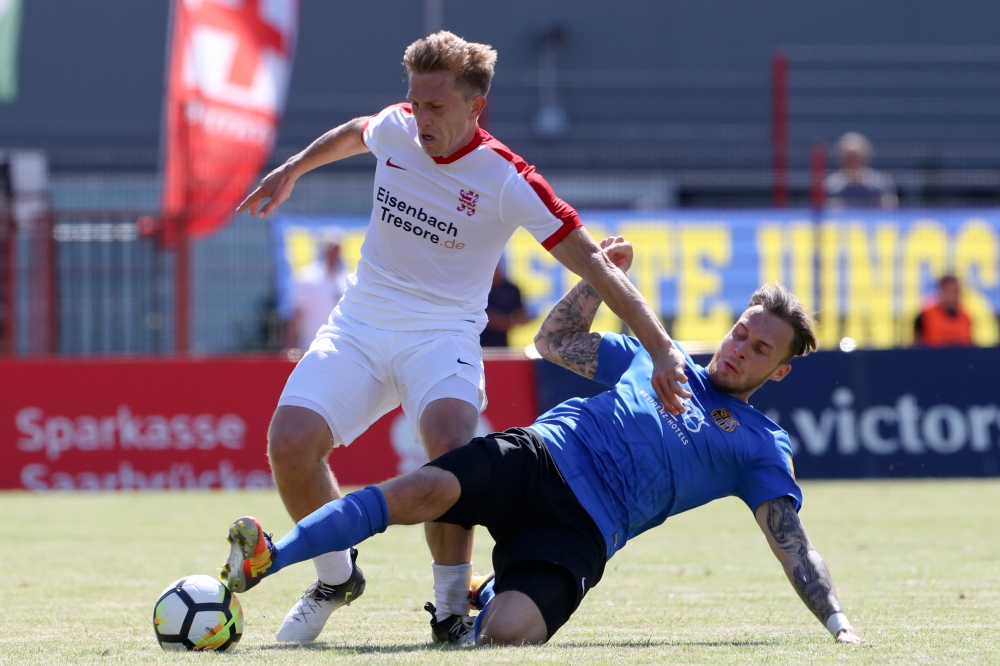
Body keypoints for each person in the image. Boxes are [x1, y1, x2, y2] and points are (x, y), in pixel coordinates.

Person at [235, 32, 689, 644]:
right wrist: (292, 169)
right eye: (415, 102)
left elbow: (595, 264)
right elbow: (354, 132)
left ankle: (450, 610)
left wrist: (662, 348)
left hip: (442, 335)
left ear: (476, 107)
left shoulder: (508, 178)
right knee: (289, 444)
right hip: (361, 322)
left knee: (451, 453)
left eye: (436, 106)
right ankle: (335, 578)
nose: (420, 117)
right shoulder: (396, 127)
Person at [220, 237, 863, 647]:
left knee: (508, 635)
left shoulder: (760, 445)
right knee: (425, 486)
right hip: (539, 456)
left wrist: (837, 623)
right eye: (741, 332)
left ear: (779, 371)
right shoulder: (656, 356)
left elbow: (792, 543)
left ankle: (486, 598)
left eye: (760, 349)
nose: (740, 348)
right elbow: (553, 342)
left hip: (583, 530)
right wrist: (597, 278)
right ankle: (272, 557)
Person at [286, 231, 348, 352]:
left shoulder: (346, 280)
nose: (334, 252)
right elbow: (295, 316)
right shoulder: (307, 278)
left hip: (340, 350)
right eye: (331, 247)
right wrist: (290, 347)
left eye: (337, 248)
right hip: (311, 347)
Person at [824, 132, 898, 210]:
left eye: (856, 158)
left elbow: (891, 206)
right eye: (849, 158)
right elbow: (823, 208)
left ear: (866, 157)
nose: (853, 162)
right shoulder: (830, 184)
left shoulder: (880, 181)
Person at [913, 274, 973, 347]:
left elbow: (969, 345)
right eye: (950, 290)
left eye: (956, 291)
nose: (955, 295)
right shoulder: (926, 316)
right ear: (941, 290)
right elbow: (916, 346)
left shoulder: (965, 318)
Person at [480, 263, 527, 347]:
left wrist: (506, 321)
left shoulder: (511, 289)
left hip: (501, 342)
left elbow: (521, 316)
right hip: (479, 340)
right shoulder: (479, 289)